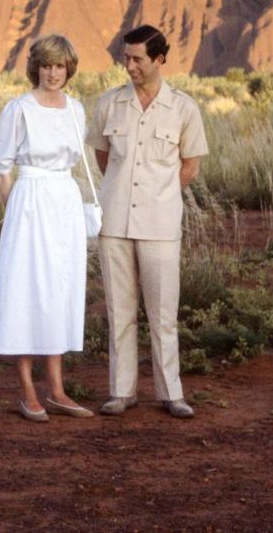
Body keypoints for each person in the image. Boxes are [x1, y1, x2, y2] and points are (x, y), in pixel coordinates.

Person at [85, 24, 209, 419]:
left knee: (162, 312)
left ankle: (171, 393)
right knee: (119, 311)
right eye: (126, 58)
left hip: (160, 224)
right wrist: (123, 190)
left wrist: (160, 193)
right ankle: (121, 392)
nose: (130, 66)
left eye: (137, 59)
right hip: (115, 221)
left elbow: (190, 164)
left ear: (159, 59)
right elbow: (103, 158)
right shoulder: (109, 104)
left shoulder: (184, 108)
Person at [0, 34, 95, 422]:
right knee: (25, 286)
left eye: (60, 66)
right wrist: (15, 211)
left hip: (64, 199)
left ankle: (58, 390)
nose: (54, 73)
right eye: (47, 65)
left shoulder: (76, 109)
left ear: (70, 69)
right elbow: (3, 167)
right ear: (36, 67)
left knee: (60, 288)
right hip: (30, 200)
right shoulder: (19, 108)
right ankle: (27, 390)